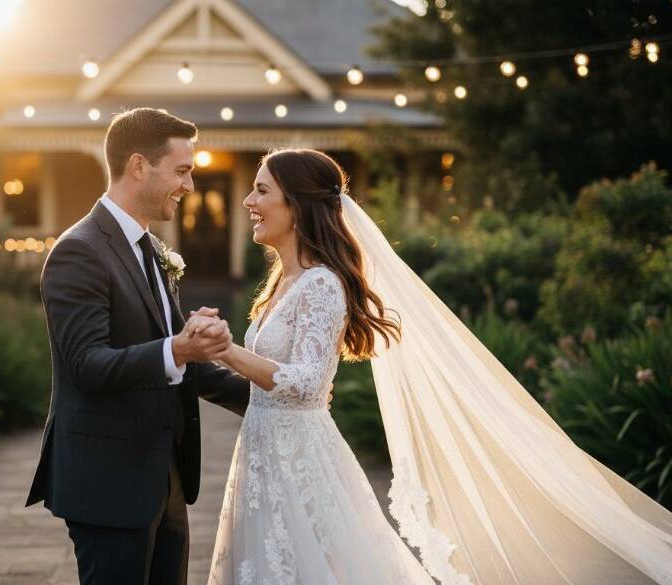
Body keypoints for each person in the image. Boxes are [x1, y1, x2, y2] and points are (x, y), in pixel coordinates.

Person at [200, 148, 672, 584]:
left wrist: (227, 350)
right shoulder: (283, 280)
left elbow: (306, 384)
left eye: (261, 190)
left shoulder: (321, 284)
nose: (247, 200)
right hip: (263, 454)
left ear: (299, 205)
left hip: (300, 458)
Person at [25, 107, 251, 585]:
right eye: (182, 171)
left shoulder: (148, 248)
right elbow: (88, 365)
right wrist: (179, 348)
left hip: (162, 480)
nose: (189, 186)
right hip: (108, 483)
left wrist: (274, 399)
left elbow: (180, 361)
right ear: (138, 166)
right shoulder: (79, 251)